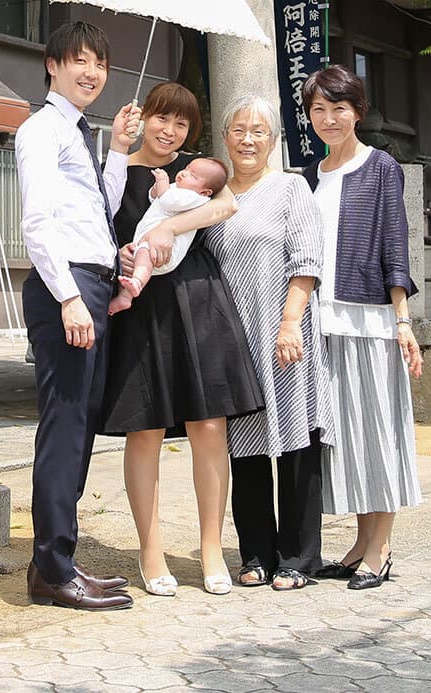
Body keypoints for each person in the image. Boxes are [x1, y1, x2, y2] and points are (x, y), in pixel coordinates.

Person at [98, 83, 262, 599]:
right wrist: (122, 254)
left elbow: (226, 206)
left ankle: (211, 548)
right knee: (144, 428)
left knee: (209, 424)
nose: (170, 131)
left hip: (198, 300)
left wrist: (170, 228)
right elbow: (96, 228)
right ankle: (151, 550)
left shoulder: (196, 169)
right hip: (141, 305)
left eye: (182, 124)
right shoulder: (115, 169)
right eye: (162, 119)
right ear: (143, 116)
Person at [16, 19, 142, 611]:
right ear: (53, 64)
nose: (92, 73)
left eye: (100, 64)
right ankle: (51, 569)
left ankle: (58, 562)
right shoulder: (42, 130)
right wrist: (69, 296)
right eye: (80, 60)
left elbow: (99, 210)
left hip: (91, 285)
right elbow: (38, 222)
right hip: (64, 287)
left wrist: (117, 151)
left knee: (81, 426)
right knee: (64, 426)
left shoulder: (79, 133)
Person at [202, 95, 334, 591]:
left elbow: (307, 259)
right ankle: (256, 553)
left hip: (284, 333)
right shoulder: (213, 197)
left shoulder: (291, 188)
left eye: (259, 131)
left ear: (273, 140)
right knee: (246, 447)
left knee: (297, 443)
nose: (248, 140)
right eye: (239, 130)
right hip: (234, 340)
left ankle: (299, 558)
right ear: (225, 137)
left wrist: (290, 321)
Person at [300, 65, 424, 590]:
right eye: (318, 110)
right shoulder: (308, 175)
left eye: (339, 109)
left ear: (358, 112)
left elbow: (396, 243)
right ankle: (358, 544)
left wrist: (402, 320)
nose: (328, 119)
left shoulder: (381, 167)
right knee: (348, 438)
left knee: (378, 431)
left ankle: (381, 549)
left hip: (370, 320)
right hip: (320, 321)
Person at [108, 156, 230, 315]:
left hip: (163, 252)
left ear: (205, 191)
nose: (184, 173)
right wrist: (155, 190)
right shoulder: (178, 189)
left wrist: (163, 182)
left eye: (193, 176)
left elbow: (168, 201)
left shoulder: (195, 197)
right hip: (146, 244)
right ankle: (125, 297)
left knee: (143, 257)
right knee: (131, 266)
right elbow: (156, 199)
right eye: (187, 168)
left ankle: (137, 282)